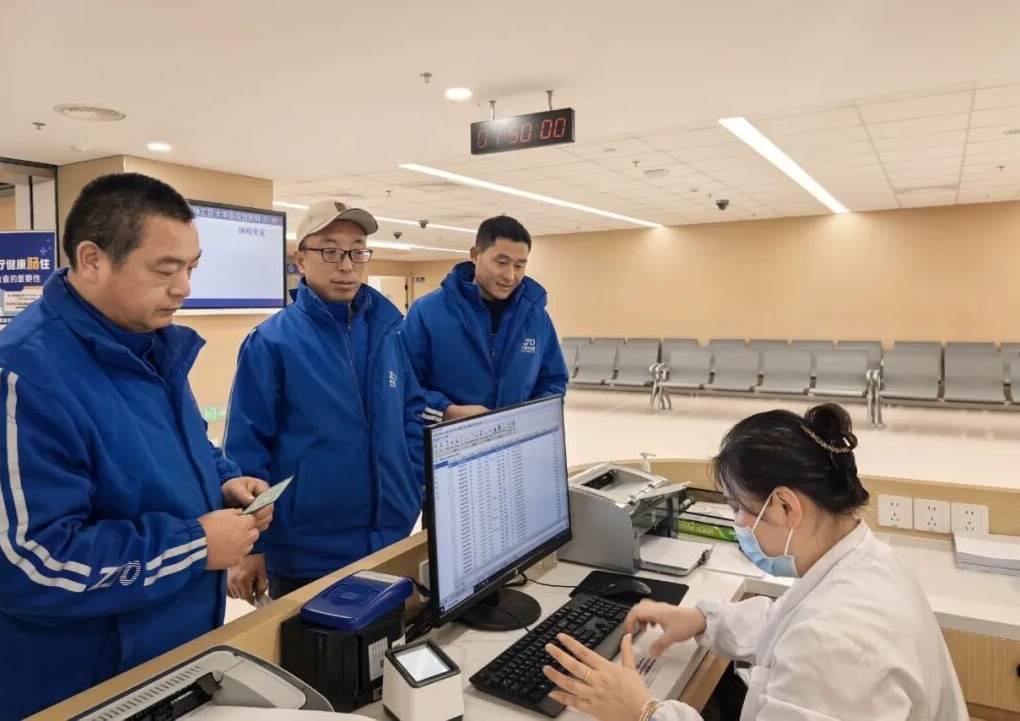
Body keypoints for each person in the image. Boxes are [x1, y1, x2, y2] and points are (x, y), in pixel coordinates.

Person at [0, 173, 274, 720]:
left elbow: (182, 449)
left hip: (165, 667)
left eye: (191, 268)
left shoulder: (151, 352)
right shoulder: (18, 380)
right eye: (165, 269)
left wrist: (223, 481)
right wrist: (195, 545)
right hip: (71, 690)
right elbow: (27, 566)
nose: (184, 288)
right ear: (92, 259)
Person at [540, 403, 968, 721]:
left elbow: (814, 640)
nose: (739, 524)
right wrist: (703, 620)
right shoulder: (866, 559)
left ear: (786, 506)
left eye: (739, 508)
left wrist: (644, 710)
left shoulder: (834, 642)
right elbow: (786, 623)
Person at [224, 200, 427, 602]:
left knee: (392, 639)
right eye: (330, 251)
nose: (347, 266)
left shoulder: (390, 331)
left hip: (391, 536)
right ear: (301, 259)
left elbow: (411, 414)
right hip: (308, 551)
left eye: (357, 252)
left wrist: (411, 486)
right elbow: (247, 450)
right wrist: (252, 546)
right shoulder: (271, 342)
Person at [404, 215, 567, 423]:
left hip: (516, 439)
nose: (510, 276)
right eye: (501, 262)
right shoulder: (427, 313)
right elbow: (405, 385)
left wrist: (533, 415)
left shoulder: (536, 317)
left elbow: (553, 381)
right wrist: (446, 412)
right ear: (475, 255)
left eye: (519, 266)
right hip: (450, 439)